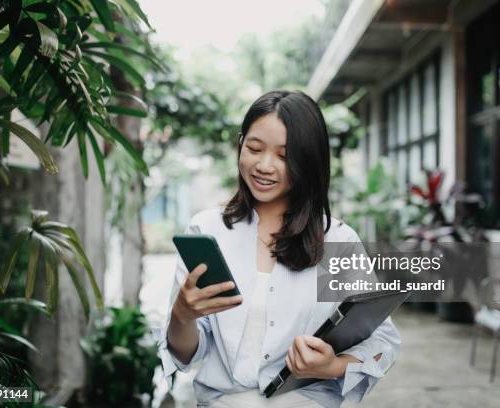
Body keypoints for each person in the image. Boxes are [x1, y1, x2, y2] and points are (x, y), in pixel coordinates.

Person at [156, 90, 400, 408]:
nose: (265, 166)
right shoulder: (208, 231)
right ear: (240, 144)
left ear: (308, 161)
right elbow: (187, 352)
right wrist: (181, 316)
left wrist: (332, 366)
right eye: (254, 148)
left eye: (284, 156)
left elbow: (383, 340)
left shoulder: (337, 241)